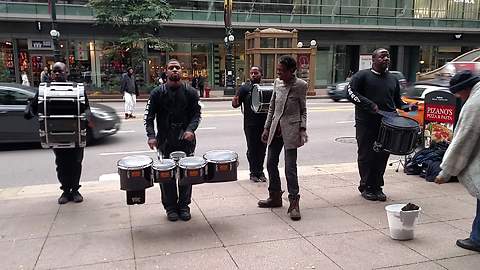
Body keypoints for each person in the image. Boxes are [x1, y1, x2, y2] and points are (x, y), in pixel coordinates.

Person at [346, 48, 413, 202]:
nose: (386, 59)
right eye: (382, 56)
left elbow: (397, 101)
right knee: (366, 155)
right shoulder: (362, 76)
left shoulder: (392, 79)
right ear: (373, 59)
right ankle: (366, 186)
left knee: (382, 155)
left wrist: (407, 107)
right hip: (366, 123)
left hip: (388, 123)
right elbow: (350, 93)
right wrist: (369, 104)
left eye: (387, 56)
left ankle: (377, 186)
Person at [144, 59, 201, 222]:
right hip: (165, 140)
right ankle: (170, 207)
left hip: (186, 140)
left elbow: (196, 114)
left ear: (181, 72)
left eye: (177, 68)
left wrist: (191, 130)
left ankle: (184, 206)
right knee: (166, 176)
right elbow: (149, 117)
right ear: (166, 71)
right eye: (171, 68)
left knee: (186, 174)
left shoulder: (191, 92)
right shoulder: (157, 93)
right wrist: (151, 136)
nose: (175, 70)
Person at [25, 62, 89, 204]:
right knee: (61, 164)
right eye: (55, 71)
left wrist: (88, 119)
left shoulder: (77, 89)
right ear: (51, 73)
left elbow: (86, 108)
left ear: (67, 73)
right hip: (56, 133)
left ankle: (75, 190)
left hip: (75, 132)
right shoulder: (45, 90)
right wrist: (29, 109)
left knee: (76, 163)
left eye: (61, 71)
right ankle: (65, 191)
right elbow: (35, 106)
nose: (58, 74)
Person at [258, 55, 308, 221]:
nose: (278, 73)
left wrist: (302, 129)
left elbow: (303, 110)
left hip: (291, 130)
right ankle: (275, 196)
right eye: (277, 70)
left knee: (290, 168)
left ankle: (294, 202)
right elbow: (272, 107)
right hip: (275, 129)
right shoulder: (277, 83)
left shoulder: (301, 85)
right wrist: (266, 127)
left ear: (291, 71)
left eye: (281, 71)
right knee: (270, 163)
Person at [435, 70, 480, 252]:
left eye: (458, 94)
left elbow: (463, 140)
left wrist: (445, 172)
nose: (458, 98)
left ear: (465, 88)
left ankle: (477, 239)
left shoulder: (474, 104)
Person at [232, 66, 268, 182]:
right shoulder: (244, 88)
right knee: (252, 149)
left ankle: (260, 171)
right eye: (252, 73)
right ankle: (253, 172)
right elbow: (235, 104)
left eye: (256, 73)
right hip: (250, 124)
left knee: (262, 148)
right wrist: (235, 101)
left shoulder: (265, 87)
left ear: (261, 74)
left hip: (264, 124)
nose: (253, 75)